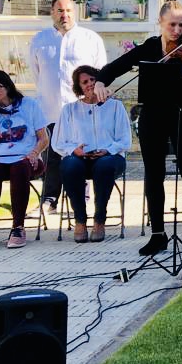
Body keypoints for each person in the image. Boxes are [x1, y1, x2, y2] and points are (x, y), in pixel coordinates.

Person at [93, 0, 182, 257]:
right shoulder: (148, 48)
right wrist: (100, 83)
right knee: (153, 174)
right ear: (160, 23)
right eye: (172, 24)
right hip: (153, 117)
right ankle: (158, 234)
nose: (178, 31)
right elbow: (113, 68)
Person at [29, 0, 106, 215]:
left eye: (69, 11)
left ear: (76, 12)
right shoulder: (40, 39)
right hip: (51, 107)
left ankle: (80, 198)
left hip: (81, 108)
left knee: (81, 152)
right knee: (52, 155)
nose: (65, 15)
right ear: (52, 12)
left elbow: (99, 73)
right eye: (60, 11)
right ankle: (49, 200)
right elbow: (36, 73)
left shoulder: (90, 39)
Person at [52, 65, 131, 243]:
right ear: (78, 87)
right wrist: (74, 150)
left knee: (104, 166)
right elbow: (58, 142)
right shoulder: (69, 110)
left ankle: (99, 220)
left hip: (109, 158)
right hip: (80, 159)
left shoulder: (115, 106)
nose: (89, 84)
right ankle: (80, 220)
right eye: (84, 82)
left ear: (99, 82)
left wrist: (108, 150)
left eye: (93, 80)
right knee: (70, 165)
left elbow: (125, 140)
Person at [0, 70, 49, 251]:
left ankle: (18, 228)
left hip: (25, 159)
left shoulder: (29, 105)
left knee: (19, 168)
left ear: (8, 86)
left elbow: (44, 139)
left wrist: (34, 152)